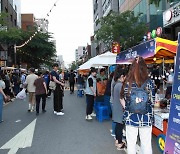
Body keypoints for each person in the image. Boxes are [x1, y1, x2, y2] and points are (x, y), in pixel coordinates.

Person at [120, 56, 155, 154]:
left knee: (131, 144)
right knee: (146, 144)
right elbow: (152, 100)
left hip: (131, 117)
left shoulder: (127, 82)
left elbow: (121, 98)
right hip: (146, 117)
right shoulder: (149, 83)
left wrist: (127, 108)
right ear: (144, 67)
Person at [112, 67, 126, 150]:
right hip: (120, 108)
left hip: (116, 107)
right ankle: (120, 143)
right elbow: (122, 98)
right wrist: (125, 107)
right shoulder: (120, 85)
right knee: (120, 126)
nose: (125, 78)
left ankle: (117, 141)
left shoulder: (116, 84)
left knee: (118, 125)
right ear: (122, 76)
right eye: (125, 77)